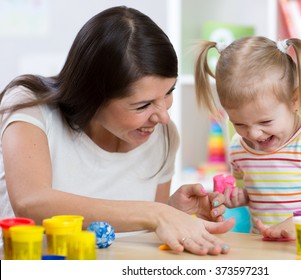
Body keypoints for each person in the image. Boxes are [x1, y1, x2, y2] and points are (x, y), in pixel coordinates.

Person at [0, 6, 235, 256]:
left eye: (169, 92)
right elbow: (30, 202)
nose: (163, 116)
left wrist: (173, 212)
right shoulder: (33, 108)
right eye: (143, 105)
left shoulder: (162, 137)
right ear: (92, 97)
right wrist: (156, 213)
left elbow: (139, 235)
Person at [194, 36, 301, 241]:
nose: (254, 134)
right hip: (265, 252)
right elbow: (259, 192)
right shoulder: (239, 148)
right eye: (239, 124)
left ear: (295, 100)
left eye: (265, 122)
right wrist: (240, 197)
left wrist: (298, 223)